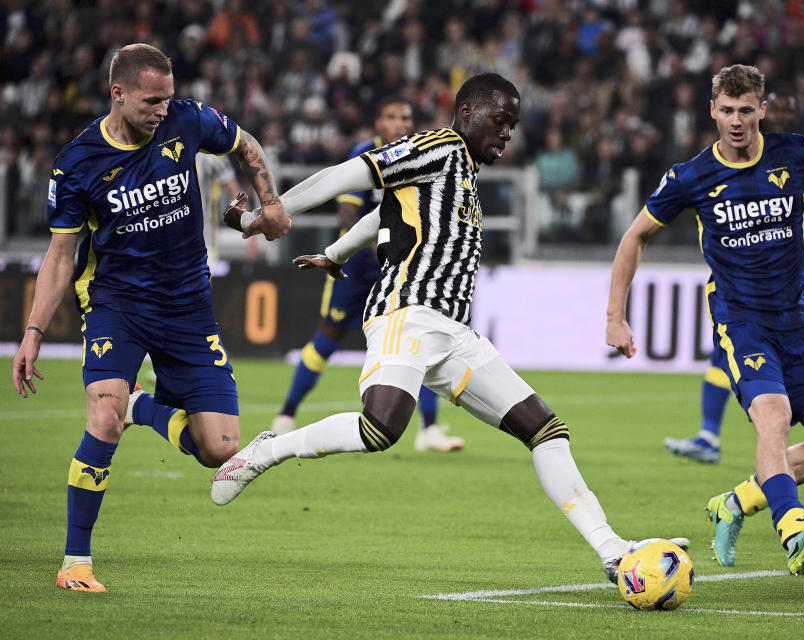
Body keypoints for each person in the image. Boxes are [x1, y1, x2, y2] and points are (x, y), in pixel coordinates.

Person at [214, 72, 687, 581]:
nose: (507, 133)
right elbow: (349, 174)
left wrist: (334, 253)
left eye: (513, 125)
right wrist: (270, 211)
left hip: (455, 332)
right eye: (500, 120)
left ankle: (612, 550)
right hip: (408, 309)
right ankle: (268, 451)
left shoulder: (459, 173)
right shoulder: (438, 147)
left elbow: (383, 215)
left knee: (547, 430)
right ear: (466, 113)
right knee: (381, 428)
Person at [11, 43, 290, 592]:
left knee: (221, 450)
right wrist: (33, 332)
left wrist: (270, 201)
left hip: (189, 306)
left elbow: (245, 144)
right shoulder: (77, 164)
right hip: (118, 305)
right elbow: (61, 257)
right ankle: (75, 561)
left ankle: (143, 405)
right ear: (118, 94)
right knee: (104, 413)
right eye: (151, 101)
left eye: (166, 98)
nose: (162, 110)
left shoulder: (186, 120)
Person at [607, 65, 804, 574]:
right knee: (772, 416)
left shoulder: (795, 153)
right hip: (742, 322)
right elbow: (634, 237)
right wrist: (615, 316)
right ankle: (793, 528)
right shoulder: (690, 177)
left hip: (798, 319)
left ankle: (735, 503)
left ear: (762, 110)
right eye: (726, 110)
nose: (735, 121)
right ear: (712, 110)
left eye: (745, 110)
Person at [270, 96, 464, 453]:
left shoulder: (419, 154)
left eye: (405, 116)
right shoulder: (366, 155)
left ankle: (430, 429)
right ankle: (286, 415)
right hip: (356, 266)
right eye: (391, 116)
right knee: (326, 340)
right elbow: (347, 214)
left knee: (417, 339)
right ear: (378, 123)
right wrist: (379, 245)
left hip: (402, 266)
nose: (400, 122)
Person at [664, 91, 804, 464]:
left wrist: (758, 220)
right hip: (743, 286)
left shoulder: (803, 158)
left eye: (789, 107)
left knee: (782, 365)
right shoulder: (743, 163)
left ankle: (798, 439)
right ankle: (712, 435)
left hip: (795, 279)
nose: (784, 114)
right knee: (724, 354)